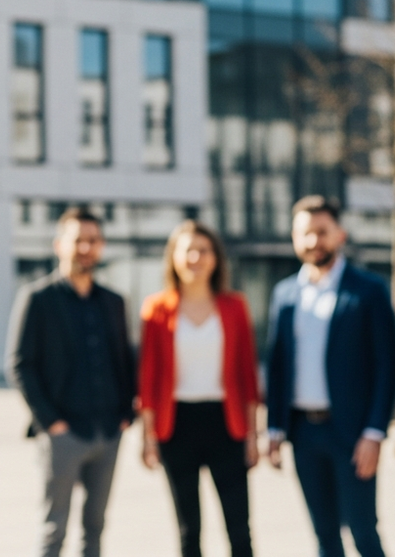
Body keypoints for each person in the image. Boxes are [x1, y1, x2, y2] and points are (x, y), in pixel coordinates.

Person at [264, 196, 395, 557]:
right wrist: (274, 427)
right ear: (294, 238)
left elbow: (387, 365)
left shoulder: (369, 290)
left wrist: (375, 431)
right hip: (303, 432)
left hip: (352, 433)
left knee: (364, 533)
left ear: (340, 234)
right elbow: (277, 365)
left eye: (322, 232)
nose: (313, 241)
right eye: (305, 233)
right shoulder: (285, 294)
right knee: (324, 536)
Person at [6, 207, 137, 557]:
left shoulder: (113, 301)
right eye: (78, 240)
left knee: (95, 529)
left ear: (102, 246)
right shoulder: (38, 298)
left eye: (93, 241)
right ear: (59, 245)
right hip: (63, 434)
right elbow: (19, 365)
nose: (86, 248)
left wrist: (127, 414)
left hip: (108, 432)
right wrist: (51, 423)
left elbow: (125, 361)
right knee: (54, 530)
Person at [139, 220, 260, 557]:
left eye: (203, 250)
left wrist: (253, 435)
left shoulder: (234, 306)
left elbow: (247, 376)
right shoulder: (156, 309)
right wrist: (148, 437)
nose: (196, 258)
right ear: (174, 258)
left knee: (240, 529)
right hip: (177, 425)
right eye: (188, 250)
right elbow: (148, 378)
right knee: (188, 530)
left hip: (226, 423)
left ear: (215, 258)